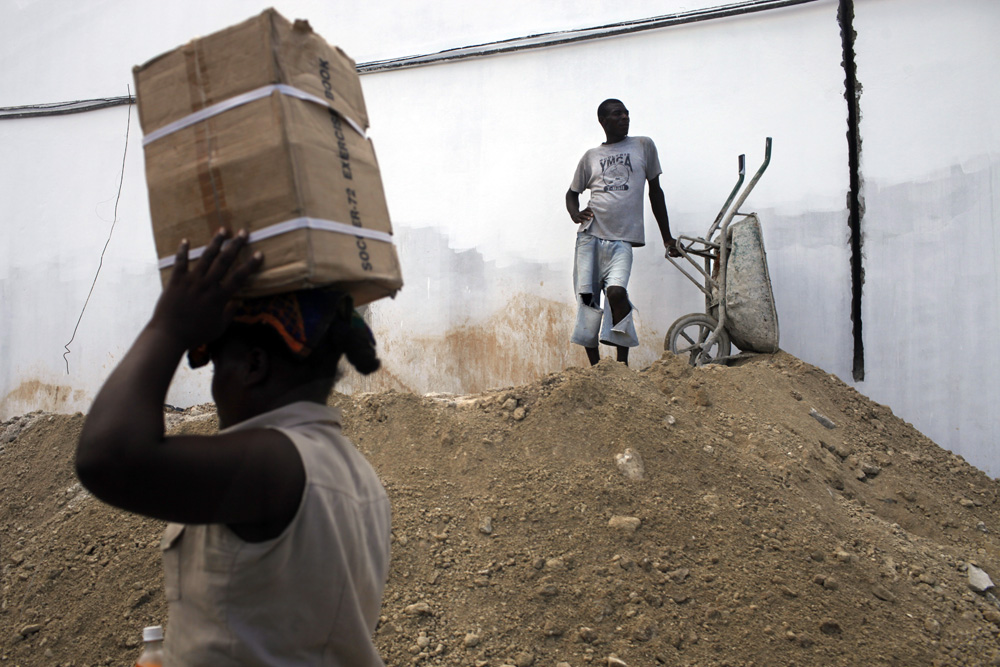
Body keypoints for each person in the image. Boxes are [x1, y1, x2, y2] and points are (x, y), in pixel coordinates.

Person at [75, 229, 391, 666]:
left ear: (254, 366)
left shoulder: (273, 462)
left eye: (219, 363)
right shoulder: (357, 475)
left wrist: (167, 326)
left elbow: (106, 457)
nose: (214, 382)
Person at [565, 98, 678, 366]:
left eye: (626, 113)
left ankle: (621, 364)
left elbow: (656, 192)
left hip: (622, 240)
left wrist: (667, 237)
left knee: (616, 292)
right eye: (617, 114)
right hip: (590, 236)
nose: (625, 117)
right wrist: (574, 213)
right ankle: (596, 370)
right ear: (603, 121)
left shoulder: (643, 145)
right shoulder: (591, 156)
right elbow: (572, 193)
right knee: (588, 300)